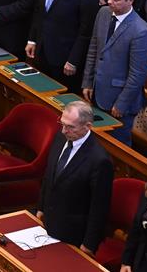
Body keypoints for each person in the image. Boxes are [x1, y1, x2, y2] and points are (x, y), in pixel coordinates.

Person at [37, 100, 114, 253]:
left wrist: (89, 244)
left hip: (73, 234)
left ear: (88, 126)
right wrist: (41, 208)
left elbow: (99, 207)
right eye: (62, 124)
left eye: (70, 127)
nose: (64, 130)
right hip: (47, 224)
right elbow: (49, 175)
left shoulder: (100, 160)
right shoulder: (60, 138)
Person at [83, 0, 147, 146]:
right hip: (97, 93)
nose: (109, 2)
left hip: (120, 103)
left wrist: (122, 104)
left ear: (130, 0)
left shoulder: (140, 31)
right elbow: (94, 49)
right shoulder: (103, 13)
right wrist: (88, 82)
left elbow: (138, 75)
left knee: (116, 147)